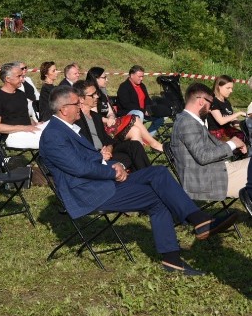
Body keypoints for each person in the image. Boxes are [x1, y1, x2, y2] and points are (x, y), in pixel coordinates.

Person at [39, 84, 238, 275]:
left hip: (99, 181)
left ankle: (198, 221)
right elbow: (79, 168)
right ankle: (175, 253)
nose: (81, 106)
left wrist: (115, 166)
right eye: (77, 103)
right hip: (88, 192)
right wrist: (113, 172)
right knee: (157, 198)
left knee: (158, 172)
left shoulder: (66, 128)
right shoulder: (54, 135)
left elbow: (91, 160)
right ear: (65, 109)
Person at [170, 83, 252, 216]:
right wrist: (231, 144)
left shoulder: (190, 120)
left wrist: (234, 144)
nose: (210, 109)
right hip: (208, 181)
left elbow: (210, 147)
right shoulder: (187, 123)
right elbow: (202, 156)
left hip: (217, 171)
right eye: (210, 104)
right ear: (201, 101)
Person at [72, 80, 151, 172]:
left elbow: (108, 140)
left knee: (134, 145)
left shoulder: (96, 116)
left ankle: (148, 174)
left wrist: (109, 149)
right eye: (92, 95)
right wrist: (99, 155)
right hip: (93, 158)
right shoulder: (75, 119)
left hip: (106, 152)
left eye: (96, 93)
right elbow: (79, 148)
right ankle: (145, 176)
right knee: (130, 159)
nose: (97, 96)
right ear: (81, 99)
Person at [0, 62, 45, 149]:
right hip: (12, 136)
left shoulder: (21, 94)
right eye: (19, 76)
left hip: (27, 131)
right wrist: (24, 128)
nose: (22, 79)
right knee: (51, 139)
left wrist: (35, 124)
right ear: (8, 78)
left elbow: (23, 116)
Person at [116, 65, 165, 135]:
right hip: (127, 113)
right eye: (139, 76)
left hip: (143, 112)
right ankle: (138, 138)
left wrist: (153, 109)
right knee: (139, 114)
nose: (141, 79)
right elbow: (126, 104)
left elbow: (147, 99)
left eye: (142, 76)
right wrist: (143, 111)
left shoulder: (142, 85)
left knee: (160, 117)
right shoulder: (124, 87)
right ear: (132, 75)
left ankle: (147, 138)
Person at [207, 75, 247, 142]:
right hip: (216, 134)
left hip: (227, 131)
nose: (231, 91)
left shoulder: (227, 102)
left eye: (231, 88)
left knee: (245, 136)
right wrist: (239, 113)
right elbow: (221, 121)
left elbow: (234, 122)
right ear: (219, 87)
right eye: (228, 88)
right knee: (240, 139)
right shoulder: (213, 101)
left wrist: (247, 121)